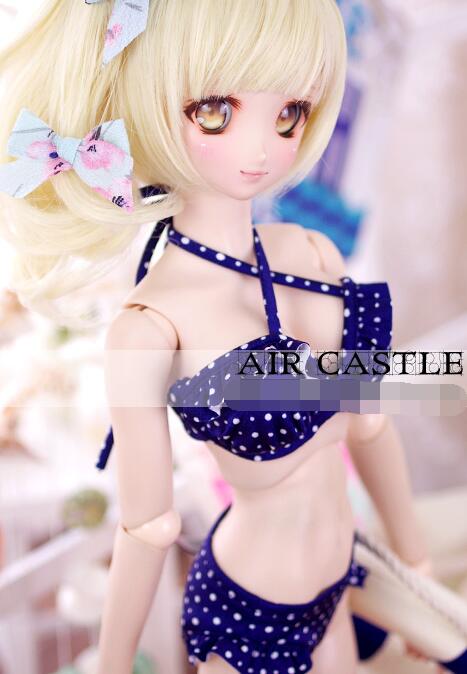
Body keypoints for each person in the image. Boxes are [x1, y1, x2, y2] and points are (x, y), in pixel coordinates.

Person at [0, 2, 438, 673]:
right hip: (250, 613)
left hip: (338, 585)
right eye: (214, 112)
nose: (260, 149)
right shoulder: (150, 327)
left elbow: (369, 425)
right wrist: (114, 664)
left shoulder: (313, 254)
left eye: (289, 113)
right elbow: (149, 526)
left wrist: (416, 567)